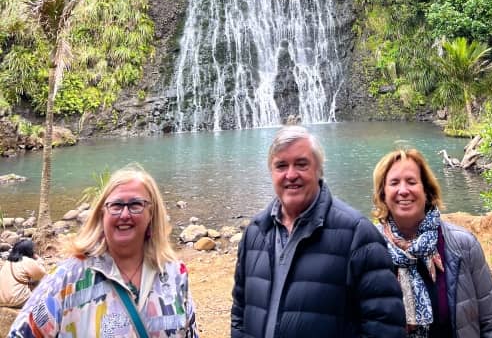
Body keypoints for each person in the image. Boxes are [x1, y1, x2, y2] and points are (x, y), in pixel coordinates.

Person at [231, 124, 407, 338]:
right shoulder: (254, 233)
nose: (291, 174)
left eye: (301, 164)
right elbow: (240, 312)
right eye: (281, 166)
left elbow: (385, 327)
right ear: (271, 172)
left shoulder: (358, 235)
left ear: (318, 170)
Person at [9, 163, 198, 337]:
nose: (125, 214)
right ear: (102, 214)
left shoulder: (174, 274)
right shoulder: (67, 279)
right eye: (116, 205)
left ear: (152, 214)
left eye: (135, 205)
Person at [372, 148, 492, 338]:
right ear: (382, 194)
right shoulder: (368, 248)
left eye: (411, 182)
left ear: (427, 190)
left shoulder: (463, 245)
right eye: (394, 183)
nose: (403, 190)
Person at [0, 238, 46, 308]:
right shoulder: (26, 260)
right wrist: (39, 260)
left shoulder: (8, 261)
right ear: (28, 251)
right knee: (41, 282)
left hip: (2, 301)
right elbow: (42, 274)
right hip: (17, 301)